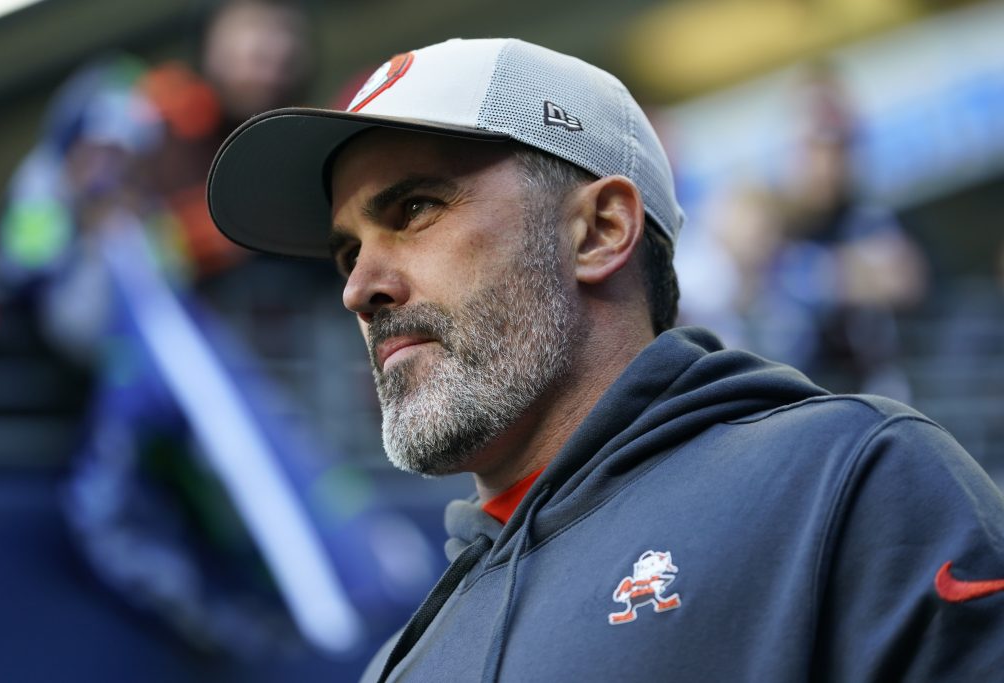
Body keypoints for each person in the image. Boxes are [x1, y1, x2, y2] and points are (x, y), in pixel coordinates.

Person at [206, 38, 1004, 682]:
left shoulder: (850, 481)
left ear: (599, 231)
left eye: (414, 209)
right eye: (347, 251)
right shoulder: (401, 663)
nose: (358, 288)